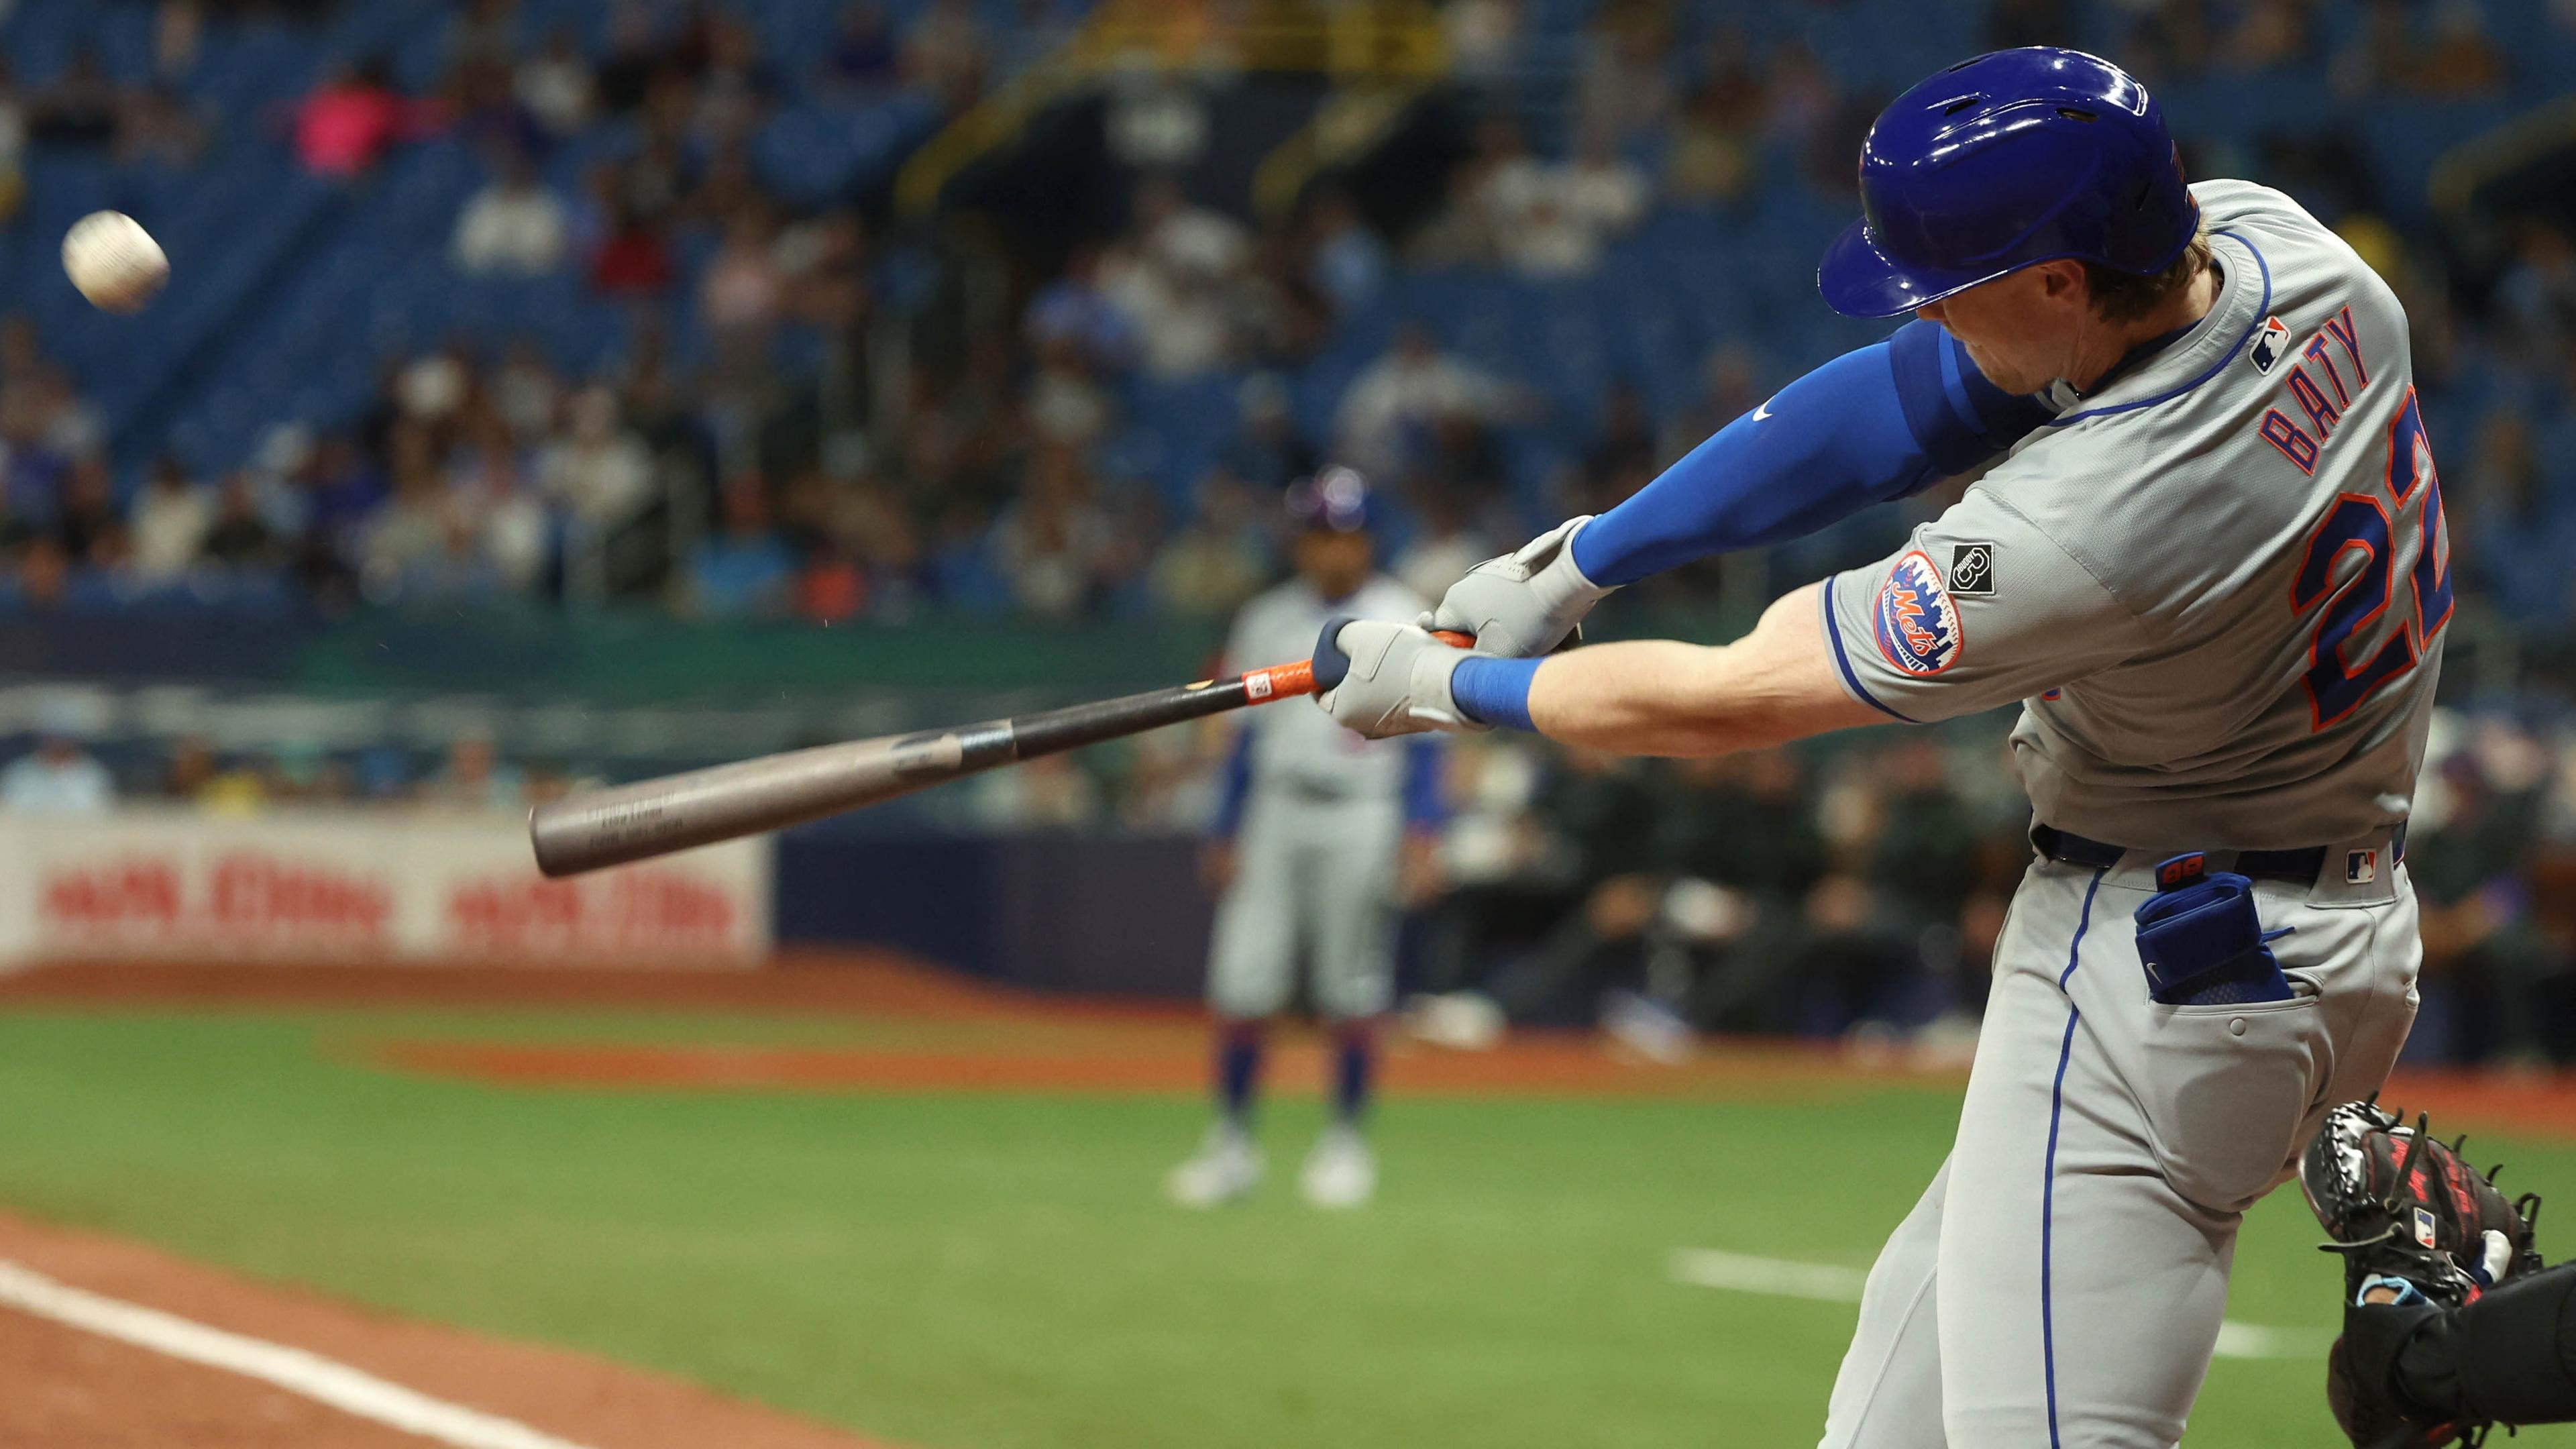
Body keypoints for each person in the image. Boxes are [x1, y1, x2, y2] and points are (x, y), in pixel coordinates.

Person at [1313, 48, 2445, 1446]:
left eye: (1959, 287)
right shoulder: (2294, 251)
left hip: (2151, 966)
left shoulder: (2089, 523)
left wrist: (1454, 688)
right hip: (2321, 942)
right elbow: (1899, 402)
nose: (1936, 315)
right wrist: (1576, 565)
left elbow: (1735, 696)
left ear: (2059, 281)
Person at [1167, 469, 1442, 1210]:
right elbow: (1245, 739)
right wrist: (1225, 825)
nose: (1332, 549)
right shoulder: (1266, 617)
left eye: (1344, 533)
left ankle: (1346, 1145)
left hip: (1365, 810)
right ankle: (1231, 1147)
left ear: (1370, 538)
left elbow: (1428, 738)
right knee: (1242, 981)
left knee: (1352, 986)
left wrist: (1423, 828)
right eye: (1319, 534)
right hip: (1277, 810)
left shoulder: (1404, 613)